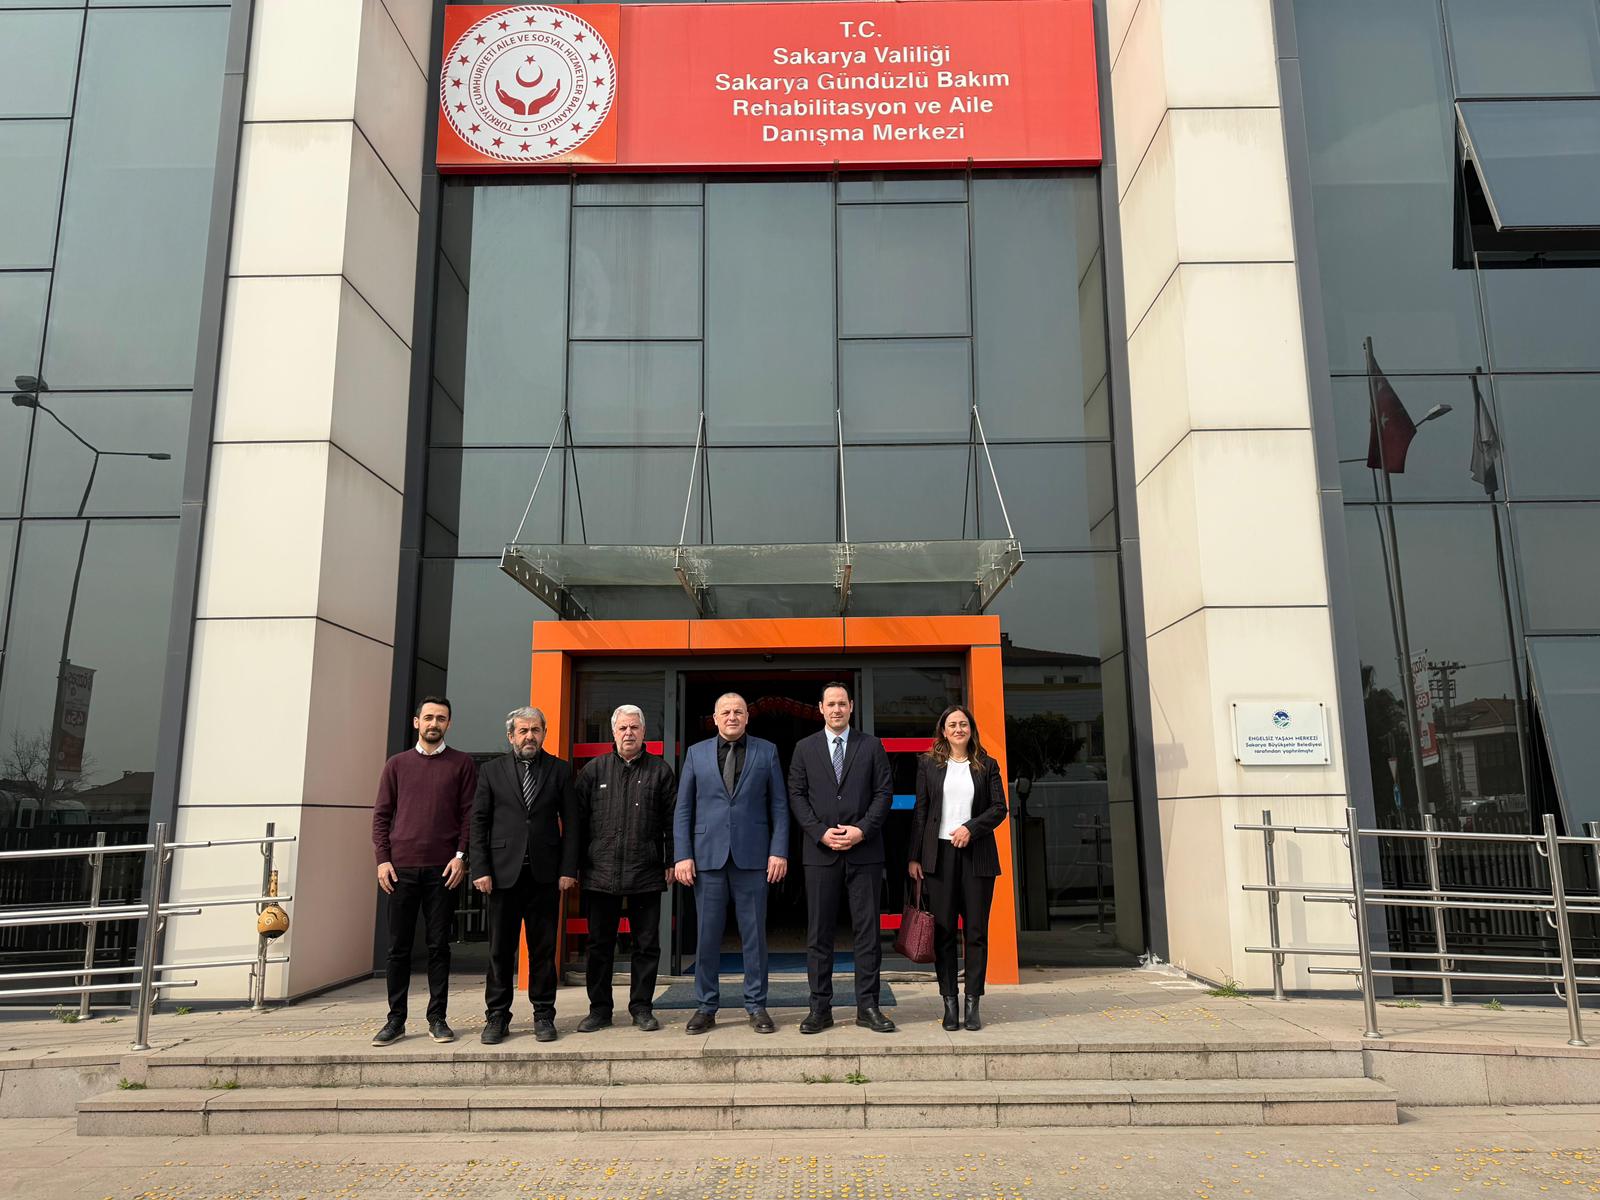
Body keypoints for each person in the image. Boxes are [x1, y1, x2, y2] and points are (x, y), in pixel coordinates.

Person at [672, 692, 789, 1034]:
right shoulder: (696, 754)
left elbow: (779, 806)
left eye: (738, 711)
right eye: (726, 712)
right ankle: (706, 1006)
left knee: (754, 936)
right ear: (715, 718)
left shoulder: (767, 751)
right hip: (707, 858)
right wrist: (682, 855)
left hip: (753, 857)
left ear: (747, 717)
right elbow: (683, 809)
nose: (732, 717)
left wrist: (779, 851)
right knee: (707, 937)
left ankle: (756, 1005)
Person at [787, 681, 895, 1034]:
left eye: (842, 704)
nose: (836, 709)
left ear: (851, 707)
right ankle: (820, 1009)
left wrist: (861, 830)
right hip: (820, 853)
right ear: (820, 708)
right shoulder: (804, 748)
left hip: (865, 852)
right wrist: (819, 832)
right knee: (819, 934)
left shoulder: (871, 746)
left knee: (867, 933)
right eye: (830, 704)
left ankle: (868, 1007)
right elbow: (796, 795)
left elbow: (884, 793)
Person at [369, 696, 477, 1047]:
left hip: (443, 870)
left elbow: (469, 816)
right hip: (399, 870)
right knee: (398, 949)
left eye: (441, 718)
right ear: (416, 722)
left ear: (449, 724)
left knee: (438, 947)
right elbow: (381, 816)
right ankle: (395, 1020)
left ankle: (438, 1018)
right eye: (428, 717)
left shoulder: (462, 764)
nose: (434, 723)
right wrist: (382, 859)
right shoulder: (397, 764)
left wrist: (461, 856)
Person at [471, 706, 579, 1044]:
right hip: (502, 875)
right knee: (500, 951)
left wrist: (568, 869)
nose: (529, 736)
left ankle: (543, 1015)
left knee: (543, 951)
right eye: (523, 731)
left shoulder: (560, 770)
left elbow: (573, 824)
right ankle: (497, 1017)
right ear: (511, 736)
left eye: (535, 730)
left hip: (545, 876)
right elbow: (479, 822)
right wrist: (481, 869)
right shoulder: (491, 771)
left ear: (544, 733)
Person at [574, 704, 676, 1033]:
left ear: (644, 732)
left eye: (634, 727)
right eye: (623, 728)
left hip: (646, 870)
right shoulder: (593, 771)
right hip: (600, 871)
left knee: (646, 946)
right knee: (599, 945)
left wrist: (672, 860)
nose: (628, 733)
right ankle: (599, 1010)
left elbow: (672, 821)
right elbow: (577, 823)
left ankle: (642, 1008)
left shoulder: (660, 771)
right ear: (613, 732)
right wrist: (574, 866)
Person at [907, 704, 1007, 1031]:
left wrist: (970, 828)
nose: (958, 729)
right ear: (943, 731)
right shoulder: (928, 765)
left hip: (977, 856)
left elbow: (999, 808)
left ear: (971, 729)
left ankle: (973, 1002)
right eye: (952, 725)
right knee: (944, 932)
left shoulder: (987, 765)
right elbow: (921, 812)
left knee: (976, 932)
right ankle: (949, 1003)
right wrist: (914, 856)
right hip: (939, 856)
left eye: (963, 724)